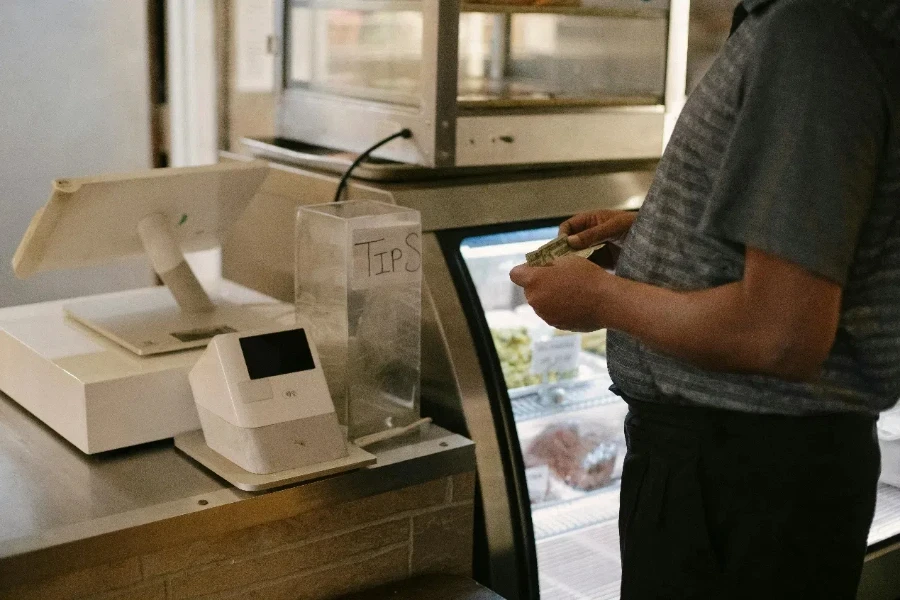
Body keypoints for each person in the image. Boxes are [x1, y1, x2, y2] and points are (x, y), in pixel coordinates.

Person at [509, 0, 900, 598]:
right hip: (749, 475)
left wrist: (602, 300)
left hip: (739, 482)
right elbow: (824, 227)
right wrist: (659, 233)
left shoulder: (812, 26)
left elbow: (781, 334)